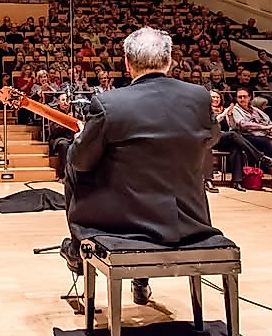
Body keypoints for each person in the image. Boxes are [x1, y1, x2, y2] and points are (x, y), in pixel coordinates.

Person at [59, 28, 221, 307]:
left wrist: (81, 139)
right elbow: (213, 137)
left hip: (124, 224)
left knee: (75, 166)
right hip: (188, 218)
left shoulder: (110, 103)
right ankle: (140, 280)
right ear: (170, 61)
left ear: (127, 63)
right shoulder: (199, 97)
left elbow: (80, 160)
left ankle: (77, 247)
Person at [229, 88, 272, 191]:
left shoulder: (255, 109)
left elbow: (267, 120)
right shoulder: (235, 109)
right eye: (239, 97)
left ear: (250, 97)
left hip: (264, 134)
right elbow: (242, 124)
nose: (242, 99)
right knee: (271, 144)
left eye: (244, 96)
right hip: (246, 136)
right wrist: (264, 127)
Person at [209, 90, 272, 191]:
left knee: (236, 147)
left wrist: (230, 116)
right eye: (213, 97)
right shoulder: (206, 110)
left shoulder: (226, 110)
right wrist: (224, 114)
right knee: (233, 135)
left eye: (217, 97)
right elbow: (211, 124)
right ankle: (260, 157)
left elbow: (233, 127)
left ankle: (237, 181)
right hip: (210, 139)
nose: (215, 99)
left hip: (224, 138)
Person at [47, 94, 77, 181]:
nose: (65, 102)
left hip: (73, 137)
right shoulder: (55, 113)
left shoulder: (75, 111)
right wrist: (68, 121)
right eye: (63, 100)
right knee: (63, 145)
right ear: (58, 102)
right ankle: (63, 175)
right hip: (59, 138)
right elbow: (55, 130)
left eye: (67, 100)